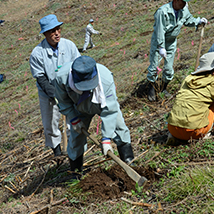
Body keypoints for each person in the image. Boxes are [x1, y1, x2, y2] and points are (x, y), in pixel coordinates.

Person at [55, 56, 135, 172]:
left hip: (102, 103)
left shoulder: (105, 78)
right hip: (79, 107)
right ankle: (76, 171)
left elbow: (110, 111)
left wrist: (106, 138)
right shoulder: (61, 78)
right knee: (76, 138)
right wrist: (74, 119)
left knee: (119, 126)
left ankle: (129, 162)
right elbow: (63, 102)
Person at [29, 14, 81, 157]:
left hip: (69, 89)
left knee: (73, 120)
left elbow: (78, 65)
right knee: (50, 123)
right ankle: (57, 153)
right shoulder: (37, 54)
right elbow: (40, 78)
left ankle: (74, 149)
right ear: (45, 34)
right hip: (48, 93)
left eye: (58, 29)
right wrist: (54, 94)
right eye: (52, 31)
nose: (56, 33)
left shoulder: (69, 45)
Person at [147, 0, 208, 102]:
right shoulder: (162, 12)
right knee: (154, 67)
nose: (185, 3)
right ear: (175, 0)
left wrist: (198, 21)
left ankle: (163, 88)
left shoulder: (183, 9)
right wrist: (161, 46)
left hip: (171, 42)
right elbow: (160, 30)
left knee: (169, 68)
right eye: (182, 1)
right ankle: (151, 88)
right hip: (159, 42)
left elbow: (188, 20)